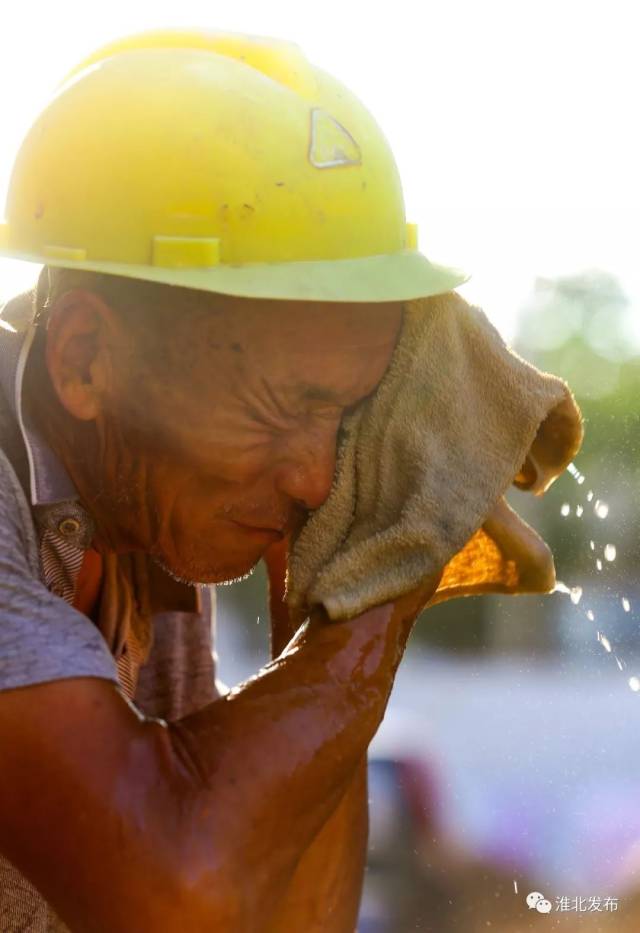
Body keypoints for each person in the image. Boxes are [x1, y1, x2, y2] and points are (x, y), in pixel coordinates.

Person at [0, 29, 468, 932]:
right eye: (281, 405)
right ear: (86, 359)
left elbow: (283, 918)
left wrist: (336, 578)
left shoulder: (144, 526)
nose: (318, 474)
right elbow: (177, 894)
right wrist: (387, 584)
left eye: (346, 413)